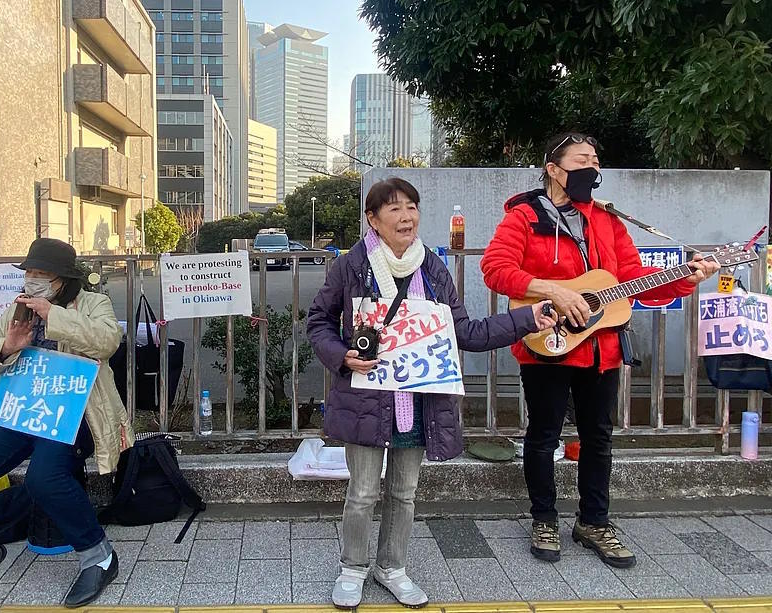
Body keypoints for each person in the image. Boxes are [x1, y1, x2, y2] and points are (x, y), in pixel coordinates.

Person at [307, 178, 556, 609]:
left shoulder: (433, 269)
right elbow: (318, 321)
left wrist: (525, 319)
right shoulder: (351, 266)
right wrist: (342, 356)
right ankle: (353, 568)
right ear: (373, 220)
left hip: (420, 402)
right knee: (363, 492)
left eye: (412, 207)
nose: (406, 217)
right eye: (394, 209)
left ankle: (392, 567)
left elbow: (464, 332)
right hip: (367, 399)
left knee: (404, 492)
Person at [481, 133, 719, 568]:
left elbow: (635, 280)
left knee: (599, 438)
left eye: (595, 159)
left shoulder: (609, 222)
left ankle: (593, 521)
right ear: (554, 169)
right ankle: (544, 518)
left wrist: (688, 277)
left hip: (602, 349)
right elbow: (495, 269)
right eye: (582, 159)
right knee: (543, 437)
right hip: (546, 345)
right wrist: (551, 289)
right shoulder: (524, 216)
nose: (592, 166)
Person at [0, 238, 133, 608]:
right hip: (19, 410)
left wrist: (51, 315)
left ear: (63, 280)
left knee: (46, 476)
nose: (32, 281)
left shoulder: (92, 303)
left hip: (72, 412)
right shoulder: (16, 310)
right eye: (29, 273)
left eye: (42, 274)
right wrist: (7, 347)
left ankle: (99, 557)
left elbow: (107, 340)